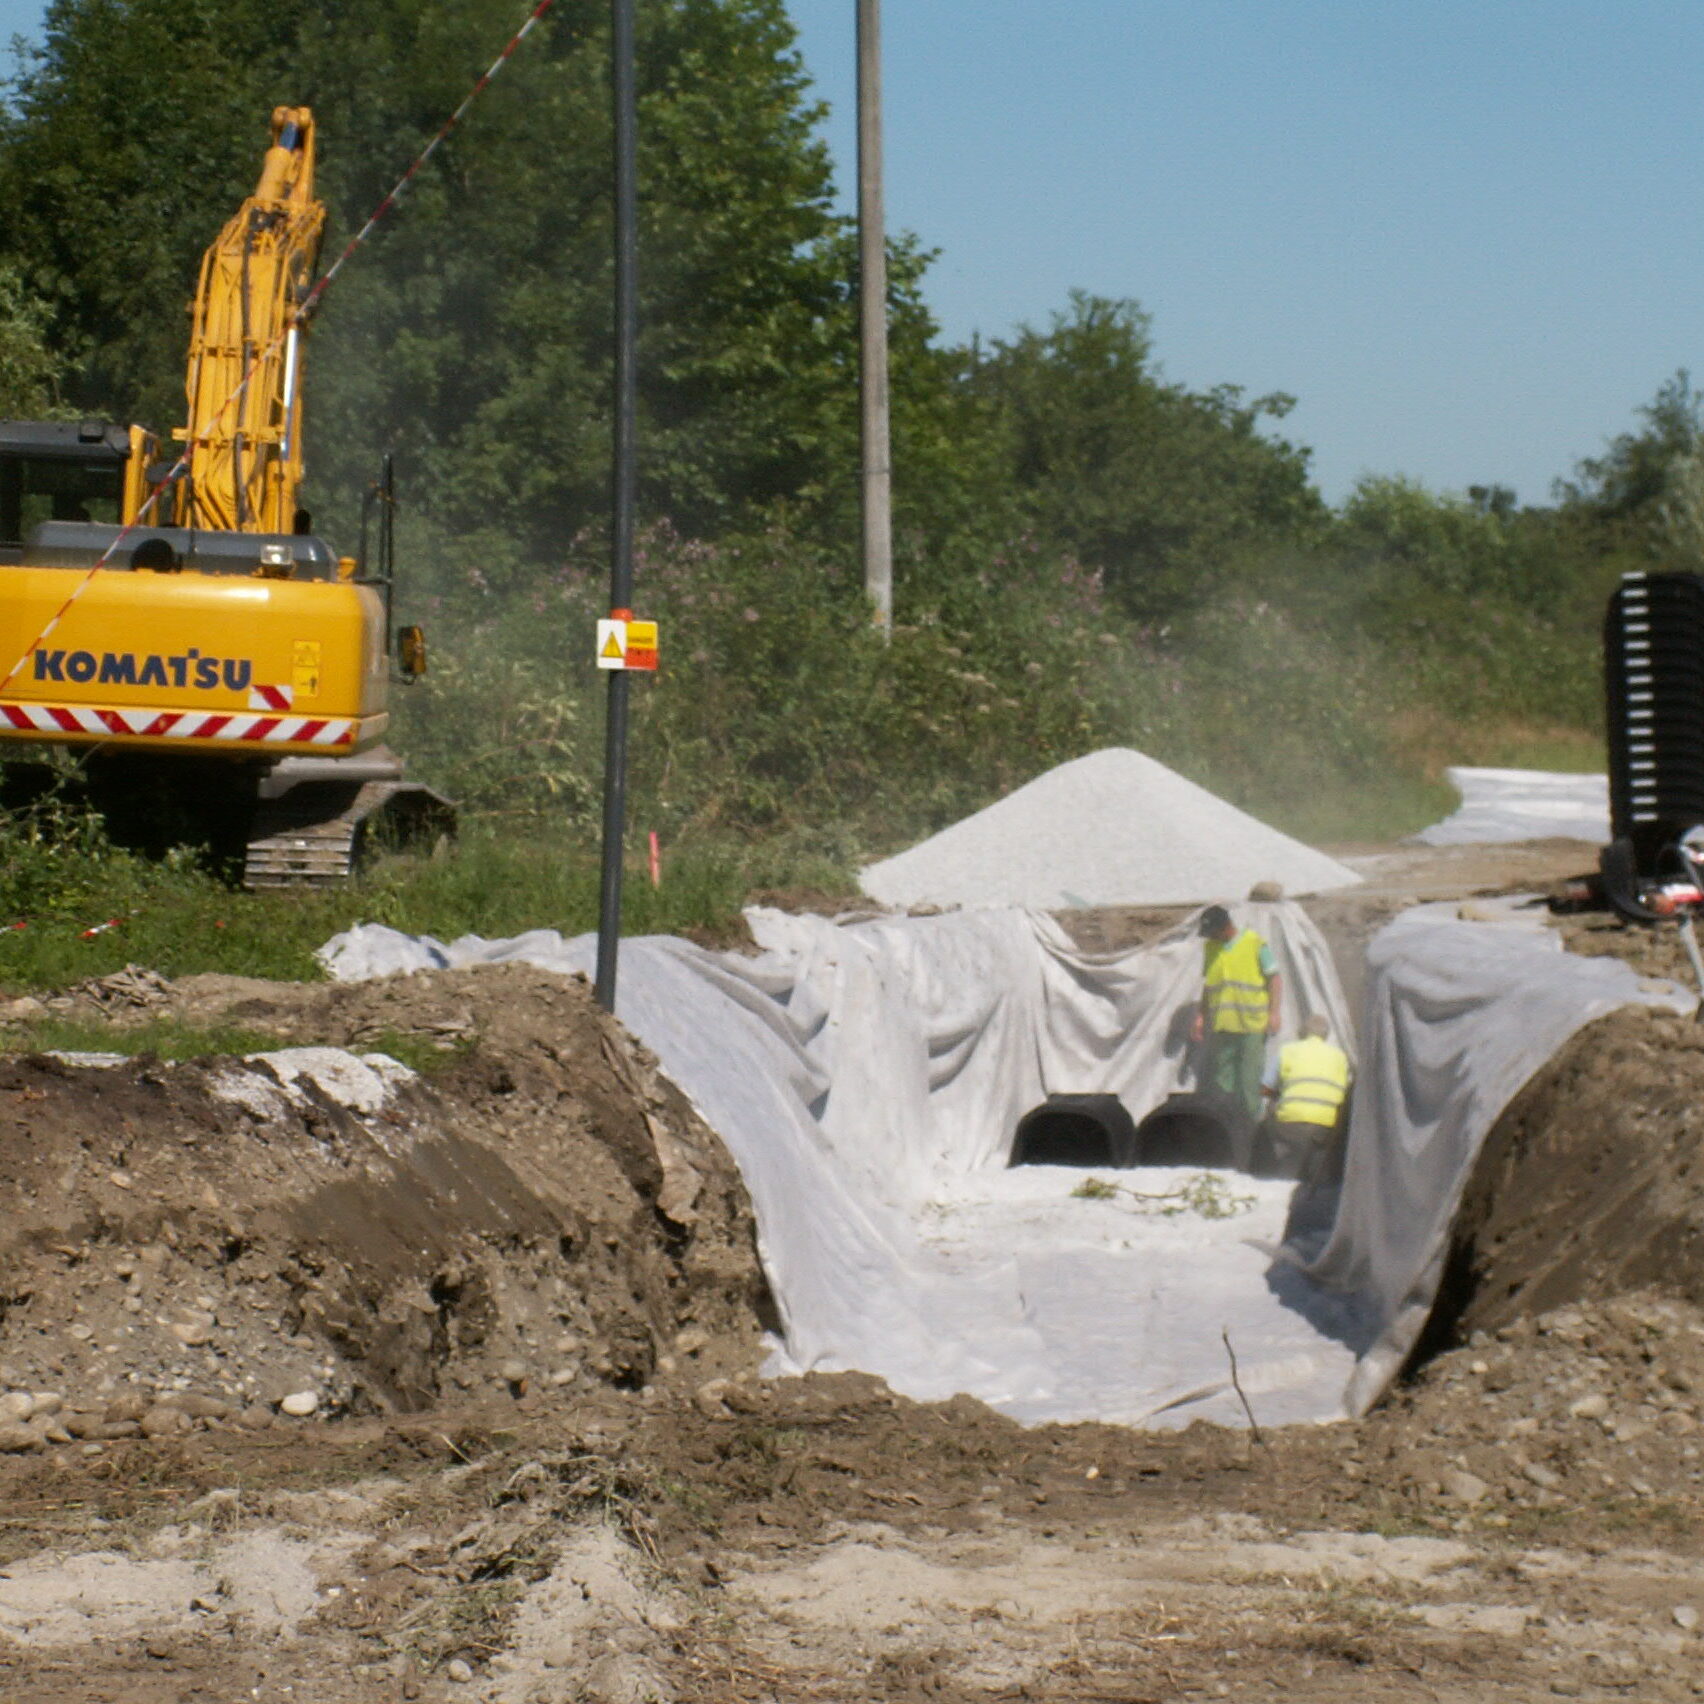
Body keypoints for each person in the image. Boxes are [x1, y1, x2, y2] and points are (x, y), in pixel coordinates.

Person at [1190, 904, 1281, 1123]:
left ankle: (1251, 1128)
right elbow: (1209, 986)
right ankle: (1226, 1126)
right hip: (1223, 1025)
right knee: (1222, 1083)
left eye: (1212, 932)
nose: (1210, 937)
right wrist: (1201, 1016)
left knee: (1249, 1083)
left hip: (1251, 1025)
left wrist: (1274, 1013)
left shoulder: (1254, 944)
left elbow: (1274, 979)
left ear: (1225, 927)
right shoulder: (1211, 948)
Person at [1262, 1013, 1352, 1181]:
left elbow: (1265, 1088)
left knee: (1271, 1107)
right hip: (1326, 1128)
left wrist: (1279, 1094)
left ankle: (1279, 1157)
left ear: (1301, 1033)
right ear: (1326, 1035)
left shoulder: (1287, 1050)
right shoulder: (1340, 1057)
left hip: (1290, 1125)